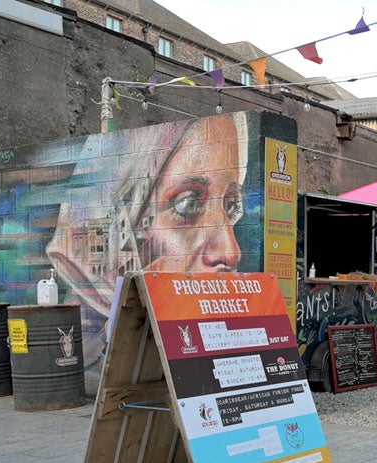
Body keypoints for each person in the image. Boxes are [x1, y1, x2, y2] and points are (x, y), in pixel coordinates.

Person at [46, 113, 249, 376]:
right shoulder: (89, 358)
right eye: (188, 203)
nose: (231, 252)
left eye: (230, 205)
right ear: (116, 218)